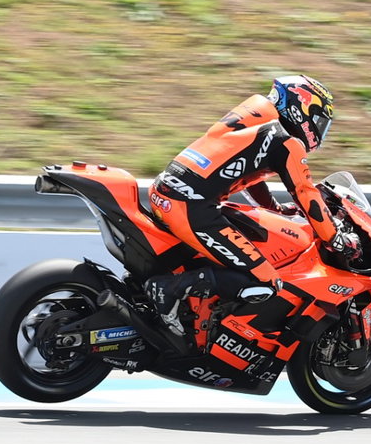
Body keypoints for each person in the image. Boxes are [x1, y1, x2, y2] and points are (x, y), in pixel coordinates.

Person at [142, 75, 354, 336]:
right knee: (265, 279)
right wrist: (335, 237)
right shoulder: (286, 141)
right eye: (319, 120)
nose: (319, 129)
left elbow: (248, 176)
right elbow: (305, 193)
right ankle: (169, 290)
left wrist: (275, 208)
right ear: (303, 108)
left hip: (168, 192)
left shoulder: (258, 120)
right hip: (192, 207)